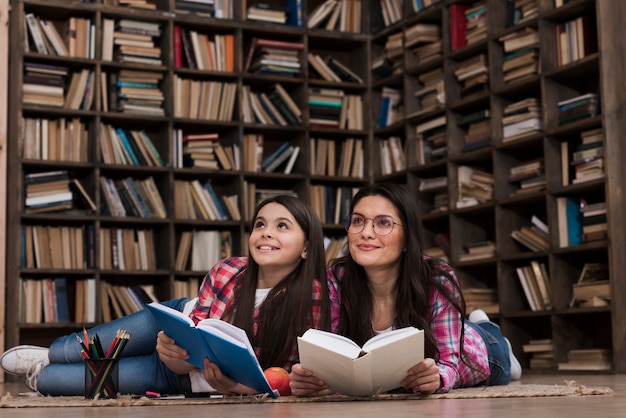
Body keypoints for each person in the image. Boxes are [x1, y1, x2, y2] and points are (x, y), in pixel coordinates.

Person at [0, 195, 340, 396]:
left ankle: (44, 369)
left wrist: (237, 388)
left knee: (51, 381)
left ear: (308, 247)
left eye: (282, 226)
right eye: (260, 224)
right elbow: (191, 335)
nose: (266, 233)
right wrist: (170, 351)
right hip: (173, 328)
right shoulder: (228, 270)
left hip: (185, 379)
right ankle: (48, 353)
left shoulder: (318, 297)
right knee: (71, 350)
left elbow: (294, 378)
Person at [289, 183, 521, 396]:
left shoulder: (436, 278)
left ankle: (490, 331)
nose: (366, 233)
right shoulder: (333, 282)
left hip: (478, 350)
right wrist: (310, 379)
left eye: (383, 223)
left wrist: (438, 377)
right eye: (358, 221)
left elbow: (450, 363)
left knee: (502, 362)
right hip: (440, 332)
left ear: (407, 238)